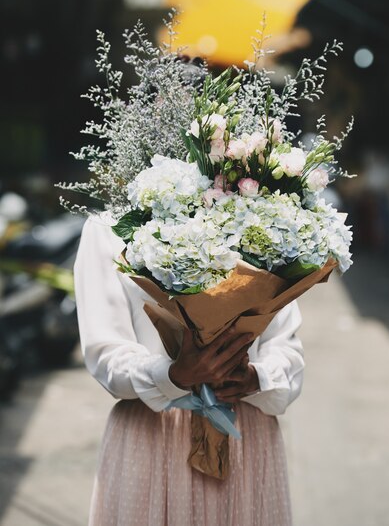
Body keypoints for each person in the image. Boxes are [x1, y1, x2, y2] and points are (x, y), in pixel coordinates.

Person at [74, 214, 305, 526]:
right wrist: (173, 375)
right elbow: (105, 354)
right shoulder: (109, 227)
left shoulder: (263, 217)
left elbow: (286, 346)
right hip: (155, 435)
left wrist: (255, 378)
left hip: (244, 434)